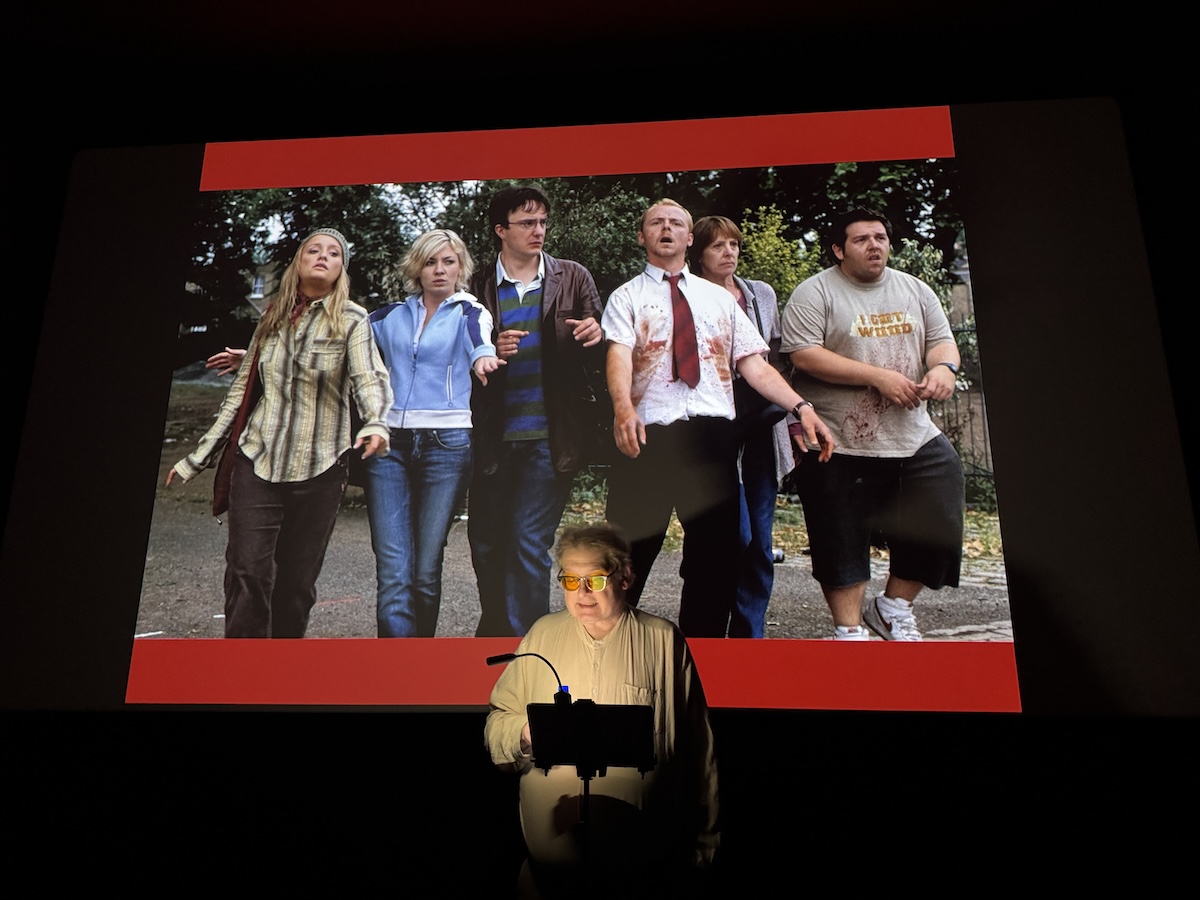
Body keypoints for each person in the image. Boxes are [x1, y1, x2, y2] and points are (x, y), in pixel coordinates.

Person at [602, 200, 834, 638]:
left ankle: (702, 655)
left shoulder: (719, 300)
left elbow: (756, 365)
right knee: (625, 557)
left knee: (716, 562)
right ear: (642, 236)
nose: (666, 228)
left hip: (711, 442)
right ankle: (604, 651)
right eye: (656, 223)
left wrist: (801, 407)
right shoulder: (626, 297)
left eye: (676, 223)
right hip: (648, 438)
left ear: (689, 238)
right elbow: (618, 356)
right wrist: (622, 408)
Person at [166, 227, 393, 638]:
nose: (323, 256)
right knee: (247, 572)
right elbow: (241, 392)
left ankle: (281, 663)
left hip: (321, 467)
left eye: (334, 253)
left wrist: (376, 420)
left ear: (342, 269)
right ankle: (244, 665)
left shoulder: (353, 319)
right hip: (258, 460)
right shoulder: (272, 316)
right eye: (314, 250)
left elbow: (369, 377)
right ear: (298, 262)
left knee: (296, 586)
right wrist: (196, 458)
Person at [484, 523, 719, 899]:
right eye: (570, 580)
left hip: (644, 875)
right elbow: (499, 721)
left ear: (625, 577)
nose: (581, 593)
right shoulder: (542, 635)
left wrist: (705, 849)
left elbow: (698, 753)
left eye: (594, 580)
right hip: (548, 880)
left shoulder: (662, 640)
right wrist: (525, 733)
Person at [780, 207, 965, 641]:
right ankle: (849, 632)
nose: (874, 245)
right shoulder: (815, 292)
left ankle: (893, 607)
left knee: (940, 512)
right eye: (861, 239)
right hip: (837, 438)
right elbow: (803, 354)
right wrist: (877, 376)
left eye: (880, 237)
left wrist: (944, 369)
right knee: (840, 539)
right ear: (838, 250)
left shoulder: (915, 289)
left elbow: (942, 342)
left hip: (912, 434)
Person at [468, 184, 606, 638]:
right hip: (491, 437)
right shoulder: (476, 285)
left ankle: (530, 642)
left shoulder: (573, 277)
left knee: (528, 540)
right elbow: (456, 357)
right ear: (500, 229)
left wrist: (596, 335)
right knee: (487, 542)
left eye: (543, 222)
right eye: (527, 222)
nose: (538, 230)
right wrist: (489, 349)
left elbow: (599, 350)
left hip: (551, 436)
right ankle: (497, 632)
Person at [364, 229, 501, 637]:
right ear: (417, 270)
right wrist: (261, 356)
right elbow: (341, 344)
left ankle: (420, 658)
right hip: (388, 443)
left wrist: (484, 358)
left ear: (461, 268)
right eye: (430, 262)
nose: (439, 270)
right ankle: (395, 664)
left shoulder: (470, 311)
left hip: (447, 444)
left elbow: (480, 341)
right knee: (393, 569)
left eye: (448, 261)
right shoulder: (389, 316)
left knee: (424, 569)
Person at [689, 215, 793, 639]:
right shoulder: (688, 294)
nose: (728, 252)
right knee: (732, 537)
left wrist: (794, 419)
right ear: (699, 253)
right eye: (718, 246)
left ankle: (750, 637)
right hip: (712, 431)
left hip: (761, 426)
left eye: (733, 244)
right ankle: (709, 626)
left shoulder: (760, 294)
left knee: (760, 543)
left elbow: (778, 357)